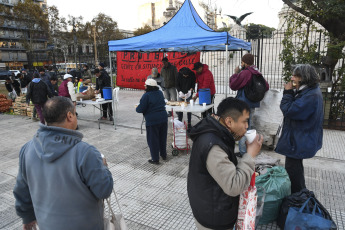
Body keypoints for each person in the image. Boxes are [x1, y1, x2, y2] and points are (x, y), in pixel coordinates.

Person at [13, 96, 113, 230]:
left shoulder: (27, 149)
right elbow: (104, 190)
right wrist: (104, 167)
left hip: (46, 225)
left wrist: (27, 217)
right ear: (70, 116)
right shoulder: (86, 153)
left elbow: (22, 190)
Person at [187, 97, 263, 230]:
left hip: (208, 204)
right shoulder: (214, 146)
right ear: (229, 121)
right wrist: (250, 155)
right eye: (244, 121)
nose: (247, 126)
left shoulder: (216, 131)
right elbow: (233, 186)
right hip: (213, 219)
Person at [275, 64, 323, 194]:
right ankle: (299, 194)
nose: (292, 78)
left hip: (299, 139)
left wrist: (288, 92)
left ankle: (297, 196)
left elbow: (289, 110)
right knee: (295, 168)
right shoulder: (308, 91)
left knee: (293, 170)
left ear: (303, 77)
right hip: (298, 137)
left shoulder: (311, 95)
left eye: (295, 75)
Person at [229, 53, 269, 156]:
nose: (241, 64)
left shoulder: (245, 73)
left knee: (243, 128)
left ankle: (243, 152)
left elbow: (233, 85)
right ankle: (248, 150)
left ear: (245, 63)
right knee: (248, 127)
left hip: (243, 105)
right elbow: (266, 86)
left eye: (242, 62)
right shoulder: (256, 71)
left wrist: (235, 73)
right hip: (252, 104)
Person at [136, 79, 168, 164]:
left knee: (153, 140)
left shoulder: (146, 95)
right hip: (163, 118)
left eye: (145, 86)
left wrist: (137, 107)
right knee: (162, 138)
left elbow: (140, 109)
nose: (145, 87)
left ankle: (155, 159)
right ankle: (163, 155)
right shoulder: (160, 93)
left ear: (148, 87)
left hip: (153, 120)